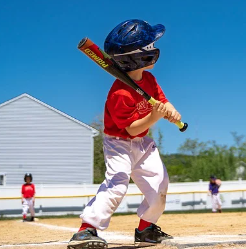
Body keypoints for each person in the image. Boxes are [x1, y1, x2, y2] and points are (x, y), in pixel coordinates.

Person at [68, 19, 182, 249]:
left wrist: (170, 109)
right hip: (118, 143)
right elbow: (132, 128)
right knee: (117, 184)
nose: (154, 48)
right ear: (137, 57)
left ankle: (146, 228)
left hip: (143, 144)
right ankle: (86, 229)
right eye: (149, 46)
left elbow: (161, 99)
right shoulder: (120, 93)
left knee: (160, 183)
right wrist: (155, 117)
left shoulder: (148, 79)